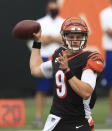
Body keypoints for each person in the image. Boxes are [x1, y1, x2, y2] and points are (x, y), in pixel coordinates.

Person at [30, 17, 104, 131]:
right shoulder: (59, 54)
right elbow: (36, 69)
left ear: (85, 38)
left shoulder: (89, 58)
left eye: (79, 37)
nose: (75, 40)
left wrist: (67, 70)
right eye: (71, 36)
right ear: (64, 37)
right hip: (56, 119)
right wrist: (37, 42)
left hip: (79, 120)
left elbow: (86, 92)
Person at [27, 0, 64, 128]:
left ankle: (61, 117)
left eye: (55, 8)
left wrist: (50, 38)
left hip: (59, 58)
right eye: (51, 8)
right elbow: (41, 39)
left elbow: (64, 39)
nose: (54, 10)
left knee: (60, 90)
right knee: (41, 89)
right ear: (47, 9)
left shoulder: (63, 22)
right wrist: (54, 38)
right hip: (44, 57)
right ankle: (37, 118)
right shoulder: (41, 22)